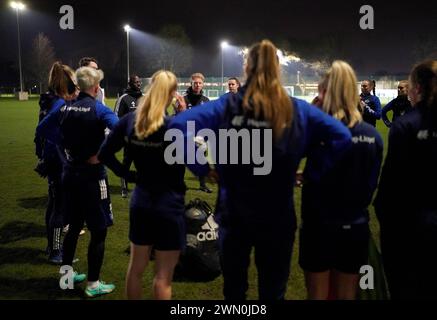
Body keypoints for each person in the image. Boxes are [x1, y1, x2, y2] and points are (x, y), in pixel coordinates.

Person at [169, 39, 352, 300]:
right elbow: (342, 137)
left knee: (234, 291)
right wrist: (311, 170)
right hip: (277, 216)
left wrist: (201, 167)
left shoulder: (229, 105)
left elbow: (177, 127)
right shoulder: (295, 108)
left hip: (234, 215)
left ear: (247, 67)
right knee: (273, 291)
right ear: (277, 68)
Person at [98, 70, 186, 300]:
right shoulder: (174, 126)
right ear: (172, 93)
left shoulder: (130, 120)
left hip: (142, 201)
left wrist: (127, 174)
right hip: (169, 204)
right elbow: (191, 162)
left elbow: (105, 153)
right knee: (163, 277)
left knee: (135, 270)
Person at [299, 61, 383, 300]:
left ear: (326, 92)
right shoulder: (372, 136)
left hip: (318, 225)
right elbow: (369, 187)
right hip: (353, 225)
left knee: (317, 295)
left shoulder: (317, 130)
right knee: (346, 296)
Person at [37, 66, 118, 298]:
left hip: (69, 175)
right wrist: (102, 151)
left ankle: (66, 277)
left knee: (72, 226)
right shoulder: (99, 109)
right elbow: (121, 129)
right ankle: (93, 284)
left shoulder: (64, 107)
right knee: (99, 231)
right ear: (95, 87)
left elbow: (42, 129)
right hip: (93, 178)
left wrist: (64, 145)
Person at [374, 60, 437, 299]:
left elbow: (390, 186)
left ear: (418, 89)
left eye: (409, 87)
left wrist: (384, 217)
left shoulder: (406, 125)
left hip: (409, 230)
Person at [34, 61, 78, 264]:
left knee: (53, 205)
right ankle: (56, 252)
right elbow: (48, 134)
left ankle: (51, 245)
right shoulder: (60, 105)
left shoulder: (50, 101)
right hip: (59, 163)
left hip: (52, 161)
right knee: (60, 208)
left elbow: (41, 132)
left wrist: (43, 157)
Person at [181, 73, 212, 193]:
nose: (198, 85)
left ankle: (202, 185)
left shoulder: (206, 100)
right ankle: (180, 183)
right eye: (195, 83)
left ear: (203, 84)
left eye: (200, 83)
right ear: (191, 84)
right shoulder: (183, 99)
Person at [114, 75, 144, 198]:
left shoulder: (145, 98)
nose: (138, 84)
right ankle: (124, 188)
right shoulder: (123, 99)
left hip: (143, 139)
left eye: (139, 82)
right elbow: (116, 117)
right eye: (135, 82)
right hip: (129, 139)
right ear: (130, 83)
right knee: (126, 163)